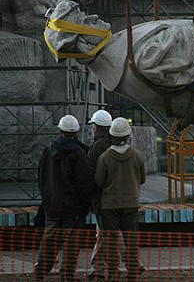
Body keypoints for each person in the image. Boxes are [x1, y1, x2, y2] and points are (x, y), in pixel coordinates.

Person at [34, 114, 94, 282]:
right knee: (71, 242)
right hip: (72, 207)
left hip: (52, 204)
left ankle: (41, 270)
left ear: (59, 130)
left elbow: (41, 177)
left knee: (49, 239)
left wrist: (46, 197)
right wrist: (85, 205)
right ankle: (67, 275)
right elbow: (85, 181)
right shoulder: (79, 153)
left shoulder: (48, 150)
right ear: (76, 132)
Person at [94, 117, 146, 281]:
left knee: (110, 240)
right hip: (131, 203)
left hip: (109, 205)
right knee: (131, 240)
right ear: (128, 135)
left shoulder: (105, 157)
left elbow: (99, 181)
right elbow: (142, 179)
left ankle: (112, 273)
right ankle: (132, 271)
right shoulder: (137, 156)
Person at [86, 109, 113, 279]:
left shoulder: (97, 147)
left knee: (103, 235)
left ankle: (98, 269)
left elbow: (92, 175)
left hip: (102, 198)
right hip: (117, 197)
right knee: (110, 234)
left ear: (96, 127)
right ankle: (105, 267)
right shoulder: (116, 144)